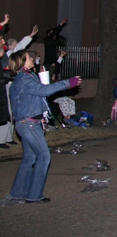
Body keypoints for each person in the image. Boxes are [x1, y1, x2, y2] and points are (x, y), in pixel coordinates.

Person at [4, 51, 80, 203]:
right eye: (28, 57)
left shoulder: (25, 77)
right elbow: (44, 91)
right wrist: (67, 83)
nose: (32, 58)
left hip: (29, 123)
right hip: (28, 124)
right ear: (22, 62)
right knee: (43, 157)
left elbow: (36, 97)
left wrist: (41, 120)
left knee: (29, 158)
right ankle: (33, 195)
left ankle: (18, 192)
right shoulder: (24, 79)